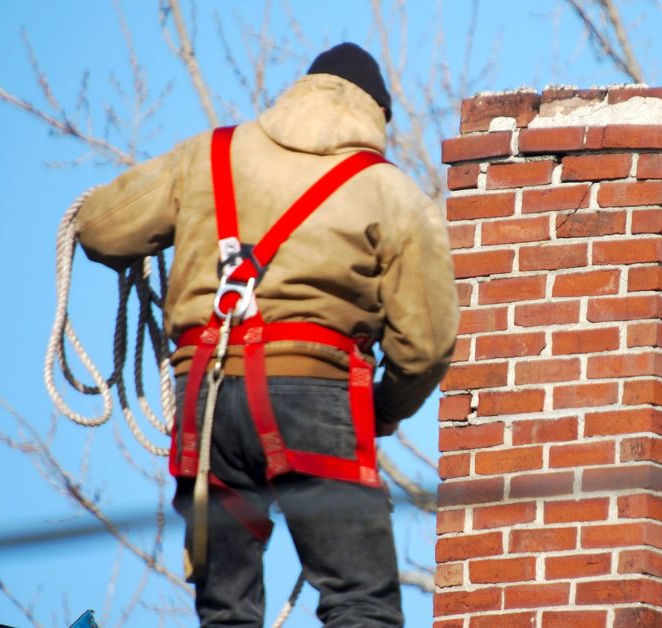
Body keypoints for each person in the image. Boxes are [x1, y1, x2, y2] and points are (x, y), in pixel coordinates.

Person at [75, 42, 459, 627]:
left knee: (226, 609)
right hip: (315, 396)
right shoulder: (393, 193)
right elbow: (425, 347)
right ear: (378, 116)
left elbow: (101, 229)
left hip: (205, 403)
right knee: (360, 600)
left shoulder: (208, 155)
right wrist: (382, 413)